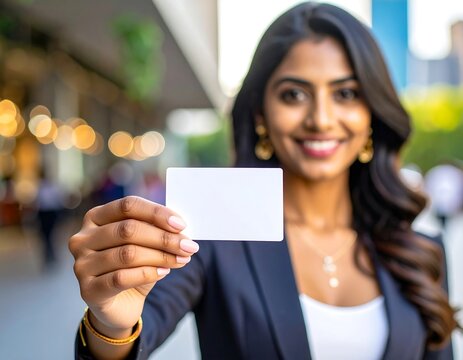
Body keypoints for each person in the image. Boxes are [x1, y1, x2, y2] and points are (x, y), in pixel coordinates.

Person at [69, 3, 459, 359]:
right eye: (294, 94)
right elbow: (139, 327)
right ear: (260, 114)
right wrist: (112, 325)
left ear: (372, 113)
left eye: (346, 93)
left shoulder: (420, 251)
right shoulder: (211, 238)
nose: (321, 118)